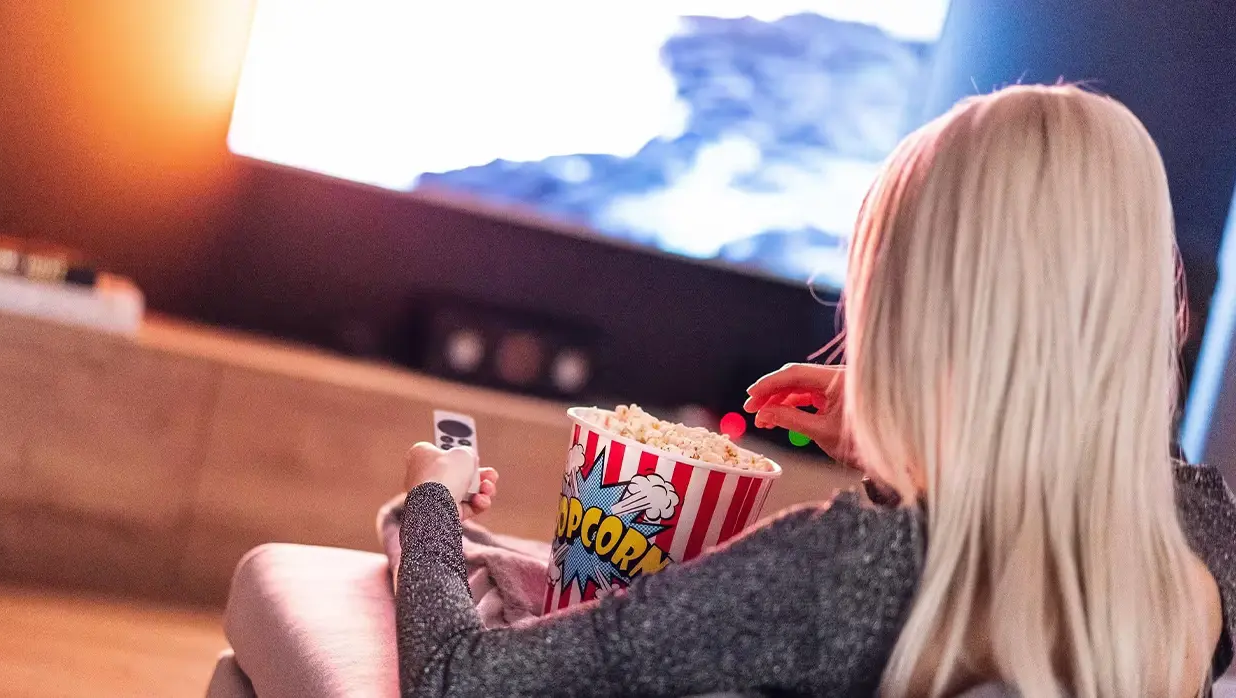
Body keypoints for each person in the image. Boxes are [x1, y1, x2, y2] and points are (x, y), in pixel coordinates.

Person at [394, 84, 1236, 697]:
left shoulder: (851, 571)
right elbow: (1097, 475)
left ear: (914, 312)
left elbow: (455, 680)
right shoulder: (1201, 539)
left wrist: (433, 500)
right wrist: (903, 439)